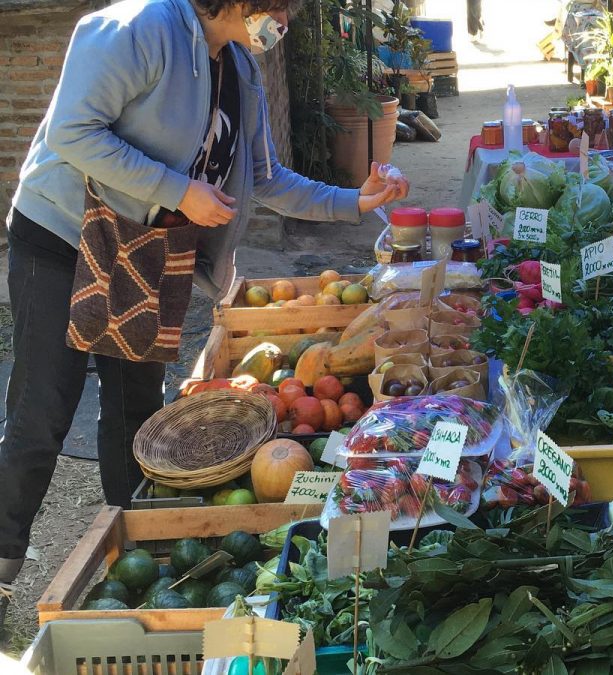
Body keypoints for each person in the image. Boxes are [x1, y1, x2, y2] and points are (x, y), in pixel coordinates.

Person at [0, 0, 409, 624]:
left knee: (137, 407)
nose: (284, 23)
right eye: (278, 8)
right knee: (43, 409)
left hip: (145, 249)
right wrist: (178, 190)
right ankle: (2, 564)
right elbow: (72, 133)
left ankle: (139, 550)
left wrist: (355, 200)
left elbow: (265, 178)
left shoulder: (239, 69)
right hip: (64, 237)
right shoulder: (136, 30)